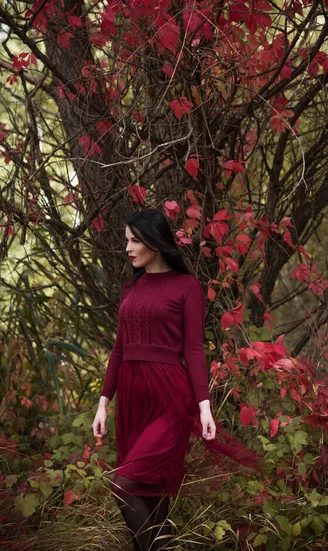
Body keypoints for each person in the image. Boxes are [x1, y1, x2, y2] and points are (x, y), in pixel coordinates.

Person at [92, 208, 262, 550]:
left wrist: (204, 408)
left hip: (170, 398)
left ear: (156, 241)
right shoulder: (131, 287)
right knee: (151, 496)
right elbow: (119, 348)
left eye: (135, 240)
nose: (128, 248)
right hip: (133, 399)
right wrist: (103, 404)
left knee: (124, 485)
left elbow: (194, 351)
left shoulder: (186, 286)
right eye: (127, 240)